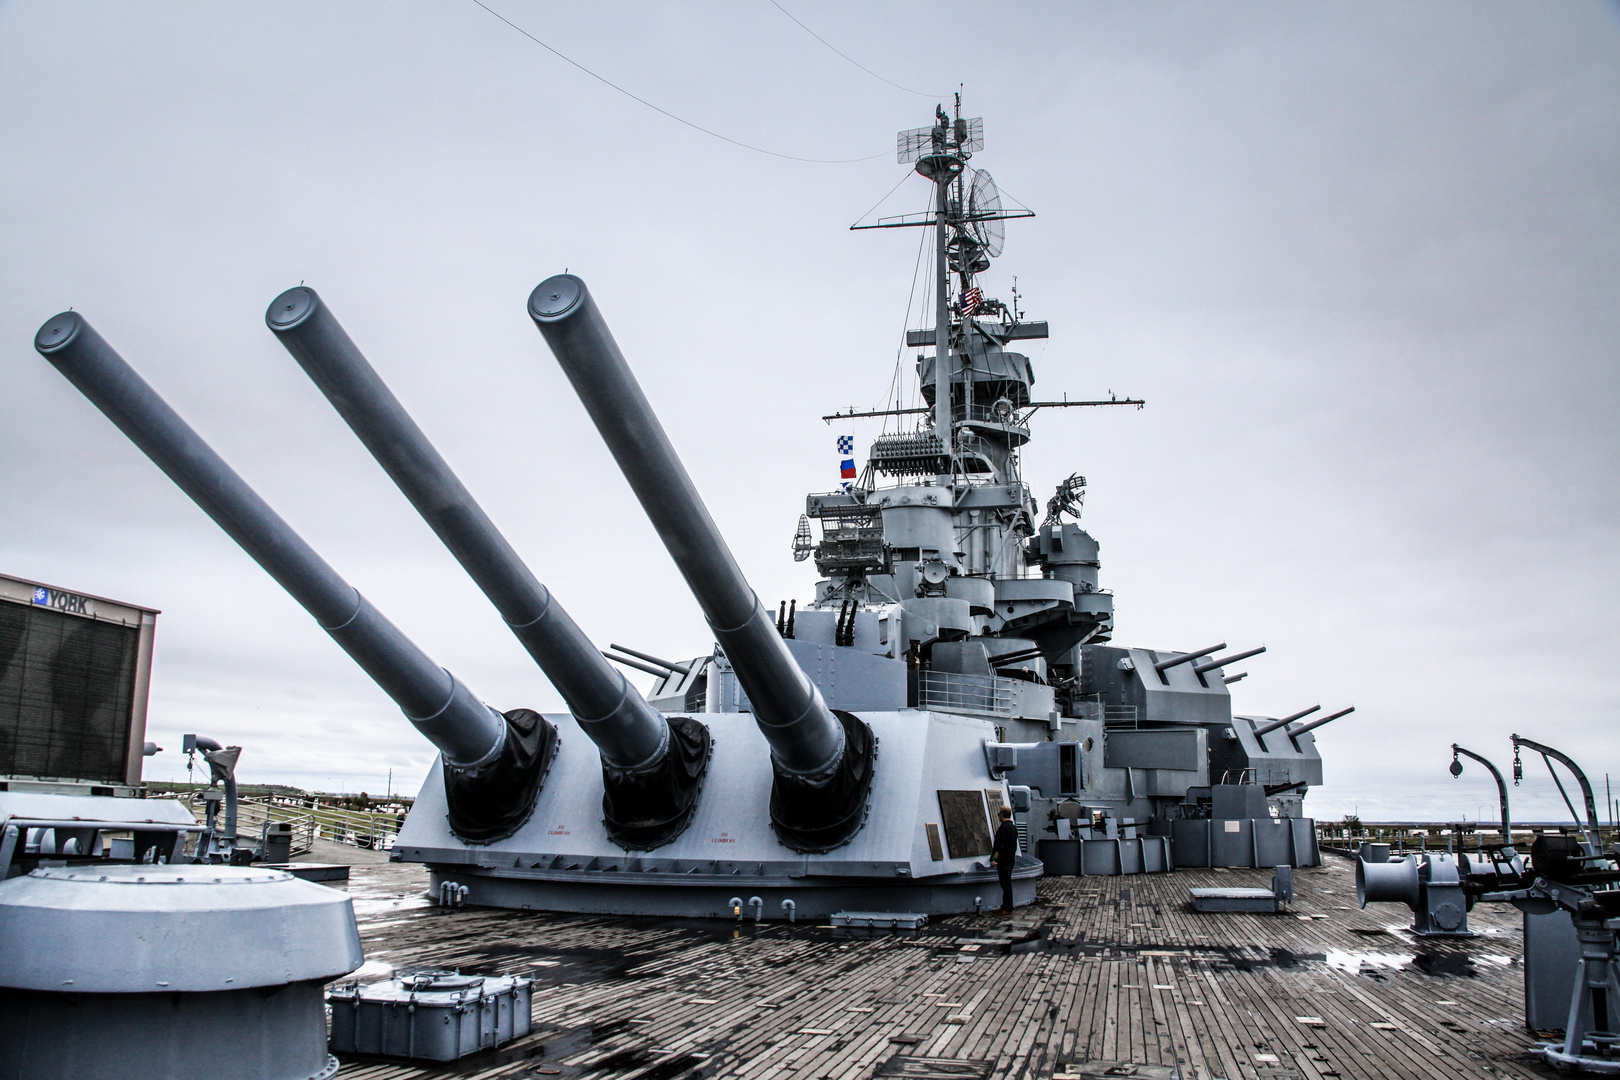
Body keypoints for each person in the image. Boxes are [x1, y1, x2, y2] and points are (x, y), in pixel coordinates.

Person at [989, 804, 1019, 913]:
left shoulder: (1003, 828)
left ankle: (1007, 908)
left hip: (1003, 860)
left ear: (1002, 815)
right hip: (1010, 859)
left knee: (1005, 884)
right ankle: (1005, 906)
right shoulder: (1013, 828)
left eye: (999, 814)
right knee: (1007, 883)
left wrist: (994, 859)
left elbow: (1000, 846)